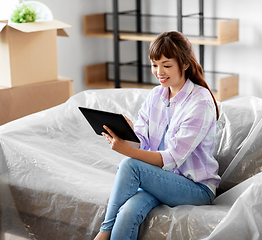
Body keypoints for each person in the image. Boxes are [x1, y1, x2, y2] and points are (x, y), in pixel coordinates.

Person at [94, 31, 221, 240]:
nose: (159, 72)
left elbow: (173, 158)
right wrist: (128, 138)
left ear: (185, 64)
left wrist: (127, 152)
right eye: (154, 65)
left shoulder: (200, 101)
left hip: (195, 188)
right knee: (127, 213)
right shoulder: (156, 95)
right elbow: (143, 143)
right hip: (161, 179)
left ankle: (103, 232)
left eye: (167, 65)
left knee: (129, 165)